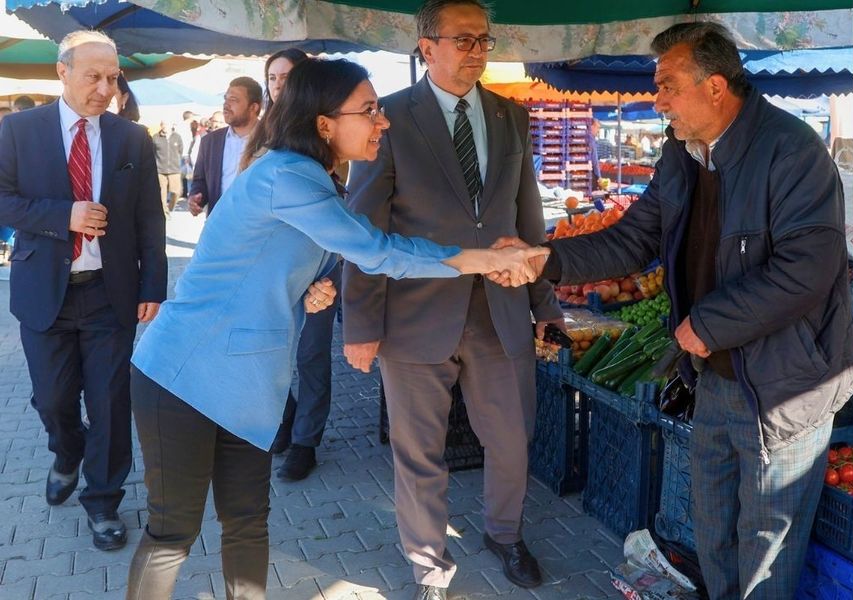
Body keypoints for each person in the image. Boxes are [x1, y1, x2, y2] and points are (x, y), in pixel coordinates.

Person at [124, 57, 544, 600]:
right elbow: (378, 251)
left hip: (249, 382)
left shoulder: (310, 176)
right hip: (183, 375)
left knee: (249, 522)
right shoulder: (288, 175)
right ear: (324, 123)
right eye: (369, 111)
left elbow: (283, 255)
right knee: (172, 534)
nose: (383, 121)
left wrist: (314, 284)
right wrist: (485, 260)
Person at [494, 22, 853, 600]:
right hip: (714, 378)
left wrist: (707, 324)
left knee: (767, 545)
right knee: (713, 530)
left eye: (667, 85)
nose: (657, 99)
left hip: (786, 382)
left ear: (715, 86)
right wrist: (545, 259)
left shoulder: (791, 150)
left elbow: (808, 270)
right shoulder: (682, 154)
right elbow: (631, 240)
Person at [341, 2, 562, 598]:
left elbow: (527, 216)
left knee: (512, 437)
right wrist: (359, 323)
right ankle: (429, 564)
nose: (476, 52)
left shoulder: (510, 116)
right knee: (419, 453)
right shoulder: (388, 118)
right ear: (426, 45)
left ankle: (505, 533)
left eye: (483, 41)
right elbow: (364, 231)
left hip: (502, 310)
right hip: (412, 318)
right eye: (462, 40)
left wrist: (546, 306)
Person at [0, 30, 167, 551]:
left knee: (111, 403)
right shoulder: (17, 131)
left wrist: (153, 287)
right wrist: (62, 216)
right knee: (52, 399)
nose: (104, 88)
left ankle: (103, 501)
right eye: (92, 76)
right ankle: (66, 452)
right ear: (62, 72)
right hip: (43, 291)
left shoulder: (130, 138)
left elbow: (149, 219)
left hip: (109, 293)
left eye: (112, 77)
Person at [239, 48, 339, 481]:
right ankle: (285, 420)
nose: (279, 84)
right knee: (267, 348)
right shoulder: (262, 133)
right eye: (273, 77)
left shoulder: (328, 128)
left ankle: (305, 442)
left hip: (318, 261)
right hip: (270, 264)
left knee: (313, 353)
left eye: (288, 76)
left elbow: (341, 196)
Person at [187, 78, 261, 217]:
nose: (226, 105)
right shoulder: (210, 142)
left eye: (233, 100)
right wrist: (195, 198)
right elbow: (200, 180)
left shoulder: (273, 141)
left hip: (258, 229)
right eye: (225, 99)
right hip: (219, 225)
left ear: (253, 107)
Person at [152, 121, 183, 218]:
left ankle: (170, 208)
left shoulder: (177, 137)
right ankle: (164, 213)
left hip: (174, 169)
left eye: (166, 124)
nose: (165, 126)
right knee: (161, 193)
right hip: (160, 169)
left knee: (176, 192)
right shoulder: (156, 137)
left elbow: (180, 150)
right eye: (163, 124)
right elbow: (153, 152)